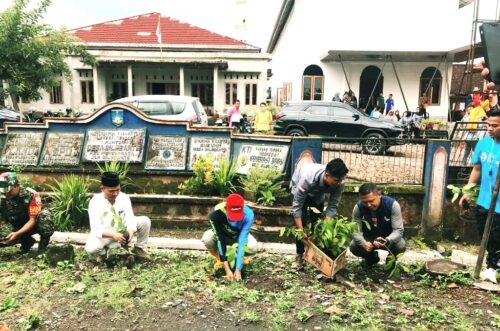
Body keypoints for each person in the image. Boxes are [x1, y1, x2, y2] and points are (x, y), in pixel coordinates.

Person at [290, 158, 349, 270]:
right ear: (327, 175)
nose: (340, 182)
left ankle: (316, 258)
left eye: (341, 179)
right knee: (300, 224)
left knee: (318, 223)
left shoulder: (339, 182)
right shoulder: (307, 178)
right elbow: (296, 207)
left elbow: (333, 205)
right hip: (299, 187)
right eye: (337, 180)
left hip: (318, 196)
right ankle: (299, 256)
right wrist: (301, 231)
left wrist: (325, 225)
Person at [459, 109, 500, 270]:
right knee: (485, 234)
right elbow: (477, 169)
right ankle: (492, 265)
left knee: (497, 236)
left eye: (495, 126)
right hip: (484, 200)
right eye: (488, 125)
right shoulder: (482, 143)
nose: (490, 128)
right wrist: (467, 192)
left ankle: (493, 266)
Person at [85, 172, 151, 260]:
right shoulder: (95, 202)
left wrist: (130, 231)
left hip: (122, 231)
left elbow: (130, 218)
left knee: (145, 221)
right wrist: (113, 235)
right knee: (91, 248)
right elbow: (95, 229)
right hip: (106, 234)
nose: (115, 193)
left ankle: (139, 248)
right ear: (102, 189)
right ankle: (104, 252)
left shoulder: (124, 197)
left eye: (118, 190)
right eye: (111, 191)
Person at [201, 193, 258, 281]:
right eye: (232, 216)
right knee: (207, 238)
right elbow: (220, 239)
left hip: (238, 237)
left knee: (253, 247)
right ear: (226, 208)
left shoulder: (249, 214)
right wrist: (227, 269)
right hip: (223, 236)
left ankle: (241, 259)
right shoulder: (216, 213)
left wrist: (238, 269)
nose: (235, 219)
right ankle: (220, 260)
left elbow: (242, 240)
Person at [350, 183, 406, 266]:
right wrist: (363, 243)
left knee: (400, 245)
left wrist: (387, 240)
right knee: (354, 246)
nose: (368, 205)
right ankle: (371, 258)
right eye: (365, 202)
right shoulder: (358, 208)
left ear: (379, 194)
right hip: (369, 239)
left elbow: (398, 230)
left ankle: (390, 260)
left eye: (371, 201)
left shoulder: (392, 205)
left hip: (387, 239)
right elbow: (356, 231)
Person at [0, 172, 54, 253]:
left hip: (33, 224)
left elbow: (32, 220)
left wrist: (17, 233)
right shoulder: (2, 197)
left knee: (45, 216)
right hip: (15, 223)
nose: (6, 194)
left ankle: (42, 248)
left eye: (9, 191)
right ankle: (27, 241)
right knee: (3, 238)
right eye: (3, 192)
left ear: (16, 185)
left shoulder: (31, 195)